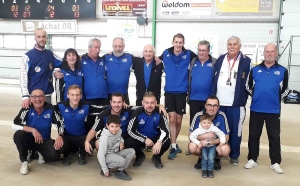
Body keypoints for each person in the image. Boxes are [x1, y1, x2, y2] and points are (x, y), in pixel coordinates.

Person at [244, 43, 289, 174]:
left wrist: (275, 98)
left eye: (272, 51)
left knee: (274, 136)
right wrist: (257, 95)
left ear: (276, 53)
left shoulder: (283, 70)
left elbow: (285, 90)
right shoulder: (255, 70)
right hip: (256, 109)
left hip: (273, 110)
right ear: (264, 53)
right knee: (253, 135)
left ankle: (275, 162)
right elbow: (248, 87)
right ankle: (252, 159)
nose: (269, 54)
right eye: (267, 51)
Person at [211, 36, 251, 166]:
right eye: (229, 44)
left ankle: (234, 154)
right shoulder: (221, 59)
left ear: (239, 46)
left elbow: (249, 82)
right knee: (219, 129)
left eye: (234, 44)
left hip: (236, 104)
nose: (232, 46)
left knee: (235, 130)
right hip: (219, 103)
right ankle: (219, 153)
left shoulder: (245, 61)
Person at [159, 33, 197, 159]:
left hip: (181, 91)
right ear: (173, 42)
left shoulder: (189, 54)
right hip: (169, 91)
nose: (178, 44)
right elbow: (156, 59)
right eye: (176, 42)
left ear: (183, 43)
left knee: (179, 120)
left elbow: (203, 58)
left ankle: (173, 141)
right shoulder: (166, 53)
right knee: (172, 118)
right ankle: (173, 145)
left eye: (181, 42)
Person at [12, 89, 64, 175]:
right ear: (31, 99)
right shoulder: (26, 109)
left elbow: (60, 123)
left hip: (44, 140)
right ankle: (24, 162)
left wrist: (60, 136)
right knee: (18, 134)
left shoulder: (51, 109)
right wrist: (33, 130)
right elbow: (14, 124)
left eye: (40, 96)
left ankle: (36, 152)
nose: (38, 99)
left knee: (54, 156)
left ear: (44, 98)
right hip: (29, 138)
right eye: (34, 97)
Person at [56, 85, 108, 166]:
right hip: (67, 136)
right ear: (67, 95)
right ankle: (67, 154)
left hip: (82, 137)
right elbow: (46, 108)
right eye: (72, 95)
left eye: (77, 95)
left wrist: (119, 105)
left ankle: (82, 154)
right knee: (58, 146)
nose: (75, 98)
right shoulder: (60, 106)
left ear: (81, 96)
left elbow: (103, 108)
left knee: (92, 143)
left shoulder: (86, 106)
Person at [186, 40, 216, 155]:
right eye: (199, 50)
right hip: (194, 98)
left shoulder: (214, 62)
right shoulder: (193, 61)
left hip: (208, 101)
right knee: (194, 124)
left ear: (208, 51)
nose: (201, 52)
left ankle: (208, 146)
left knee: (207, 124)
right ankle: (192, 145)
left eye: (204, 50)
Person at [126, 91, 171, 169]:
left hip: (155, 139)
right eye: (147, 103)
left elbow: (166, 131)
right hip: (141, 139)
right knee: (128, 142)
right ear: (142, 103)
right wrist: (144, 139)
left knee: (167, 142)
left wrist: (159, 142)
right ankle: (140, 155)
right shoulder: (137, 112)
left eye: (152, 103)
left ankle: (156, 157)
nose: (149, 105)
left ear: (156, 103)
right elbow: (130, 130)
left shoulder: (160, 113)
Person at [20, 28, 61, 108]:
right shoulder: (27, 56)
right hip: (34, 96)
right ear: (35, 38)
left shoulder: (50, 54)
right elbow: (23, 77)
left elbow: (66, 62)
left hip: (47, 95)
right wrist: (25, 96)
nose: (41, 39)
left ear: (47, 38)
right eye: (39, 37)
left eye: (43, 37)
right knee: (34, 119)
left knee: (48, 118)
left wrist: (55, 71)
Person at [189, 96, 230, 171]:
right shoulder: (198, 115)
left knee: (225, 150)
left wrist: (211, 142)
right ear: (205, 106)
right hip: (201, 143)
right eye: (209, 105)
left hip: (216, 143)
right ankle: (201, 158)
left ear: (218, 107)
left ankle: (216, 159)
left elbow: (226, 137)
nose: (212, 108)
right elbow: (190, 135)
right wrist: (203, 137)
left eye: (215, 106)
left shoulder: (222, 116)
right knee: (192, 146)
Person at [81, 38, 109, 132]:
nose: (98, 50)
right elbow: (67, 63)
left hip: (103, 96)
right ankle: (89, 143)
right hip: (89, 97)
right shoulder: (81, 60)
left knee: (103, 120)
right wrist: (58, 73)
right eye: (95, 47)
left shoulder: (103, 60)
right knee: (90, 121)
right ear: (89, 48)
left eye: (99, 48)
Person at [98, 115, 135, 180]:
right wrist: (105, 170)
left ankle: (120, 171)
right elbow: (100, 155)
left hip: (115, 152)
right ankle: (106, 167)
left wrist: (121, 142)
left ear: (120, 125)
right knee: (122, 161)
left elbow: (120, 137)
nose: (114, 129)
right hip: (107, 155)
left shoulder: (119, 131)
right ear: (107, 126)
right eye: (112, 126)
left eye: (116, 126)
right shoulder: (105, 138)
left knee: (132, 151)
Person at [190, 113, 226, 178]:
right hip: (203, 147)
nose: (206, 124)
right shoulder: (198, 130)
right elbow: (192, 137)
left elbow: (222, 134)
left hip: (212, 146)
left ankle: (210, 170)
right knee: (205, 158)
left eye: (208, 123)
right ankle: (204, 170)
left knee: (211, 158)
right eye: (204, 123)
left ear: (211, 122)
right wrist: (198, 143)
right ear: (200, 123)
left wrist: (222, 142)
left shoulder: (214, 128)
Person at [102, 37, 134, 104]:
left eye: (120, 46)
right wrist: (83, 56)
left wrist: (156, 57)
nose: (117, 49)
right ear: (112, 46)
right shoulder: (105, 57)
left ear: (124, 47)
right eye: (115, 46)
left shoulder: (130, 58)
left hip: (124, 95)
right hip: (109, 95)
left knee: (126, 114)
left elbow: (143, 60)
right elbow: (93, 59)